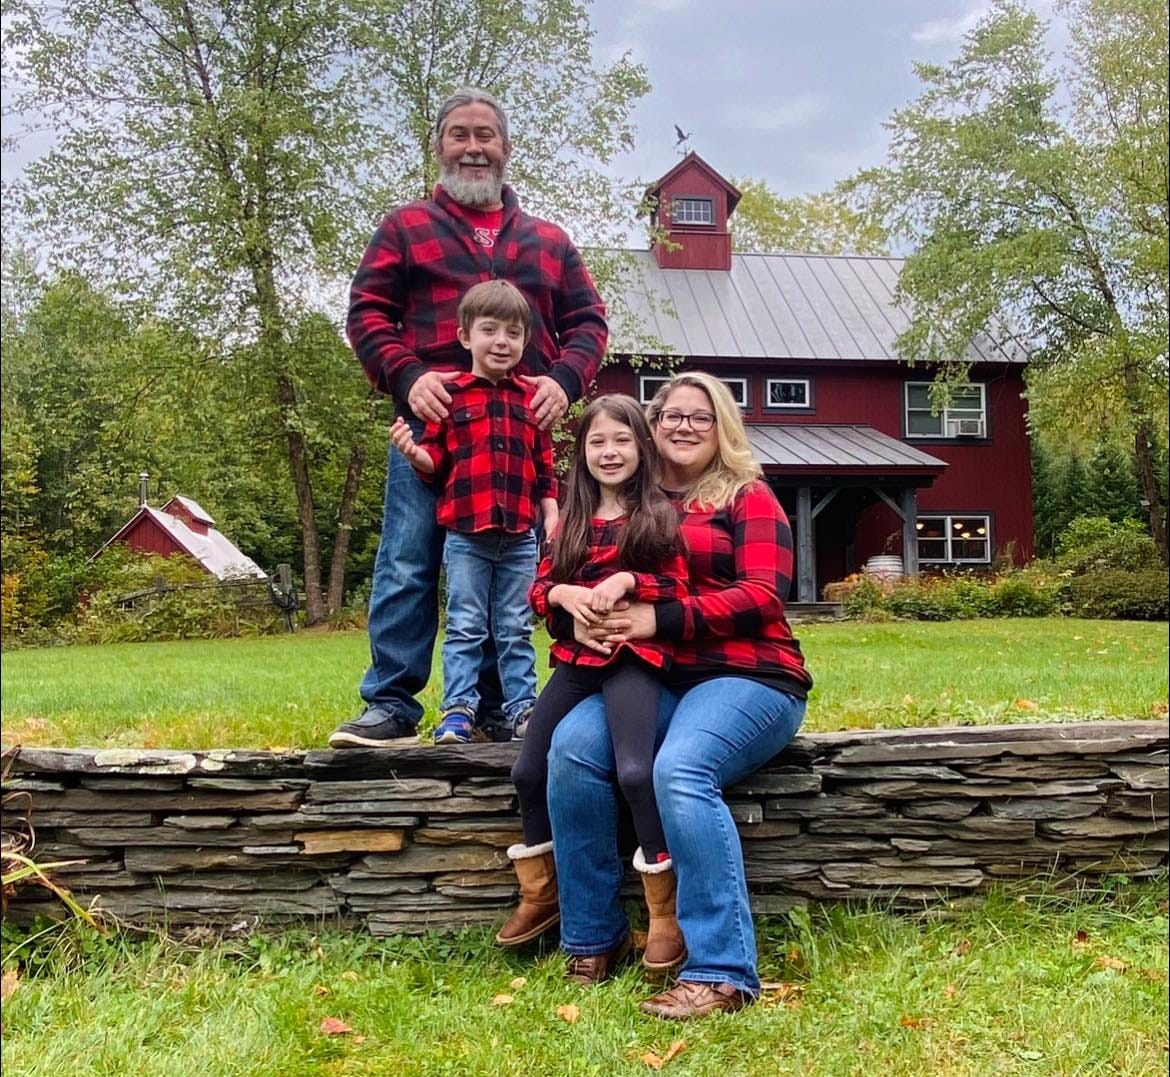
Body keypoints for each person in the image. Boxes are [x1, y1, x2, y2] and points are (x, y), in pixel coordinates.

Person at [329, 87, 607, 749]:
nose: (473, 146)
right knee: (407, 563)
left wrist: (564, 382)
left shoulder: (548, 241)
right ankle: (392, 705)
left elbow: (589, 322)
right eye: (459, 134)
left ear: (506, 149)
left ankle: (497, 708)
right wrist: (408, 374)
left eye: (485, 134)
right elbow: (367, 313)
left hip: (515, 440)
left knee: (505, 581)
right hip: (433, 432)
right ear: (440, 146)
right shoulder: (406, 228)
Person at [544, 371, 813, 1018]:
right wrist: (576, 607)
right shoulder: (634, 501)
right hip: (657, 676)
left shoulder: (747, 497)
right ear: (651, 427)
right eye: (671, 415)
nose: (684, 425)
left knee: (681, 767)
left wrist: (655, 619)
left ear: (723, 428)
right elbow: (574, 575)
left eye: (701, 415)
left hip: (750, 675)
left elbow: (764, 595)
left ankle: (722, 970)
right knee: (571, 750)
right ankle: (592, 937)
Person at [497, 395, 689, 972]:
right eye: (597, 442)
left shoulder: (658, 514)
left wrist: (627, 578)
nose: (610, 452)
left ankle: (664, 911)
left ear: (642, 447)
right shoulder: (570, 520)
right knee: (527, 769)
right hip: (577, 661)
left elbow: (675, 584)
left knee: (635, 770)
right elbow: (538, 589)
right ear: (581, 453)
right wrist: (562, 594)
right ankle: (542, 894)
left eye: (622, 440)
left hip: (633, 658)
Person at [388, 280, 558, 742]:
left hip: (520, 535)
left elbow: (544, 464)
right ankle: (458, 710)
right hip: (466, 536)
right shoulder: (451, 397)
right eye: (489, 330)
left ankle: (523, 709)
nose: (501, 342)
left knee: (515, 628)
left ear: (525, 341)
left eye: (513, 333)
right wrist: (412, 453)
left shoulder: (530, 399)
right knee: (465, 626)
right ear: (466, 337)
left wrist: (552, 512)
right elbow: (435, 464)